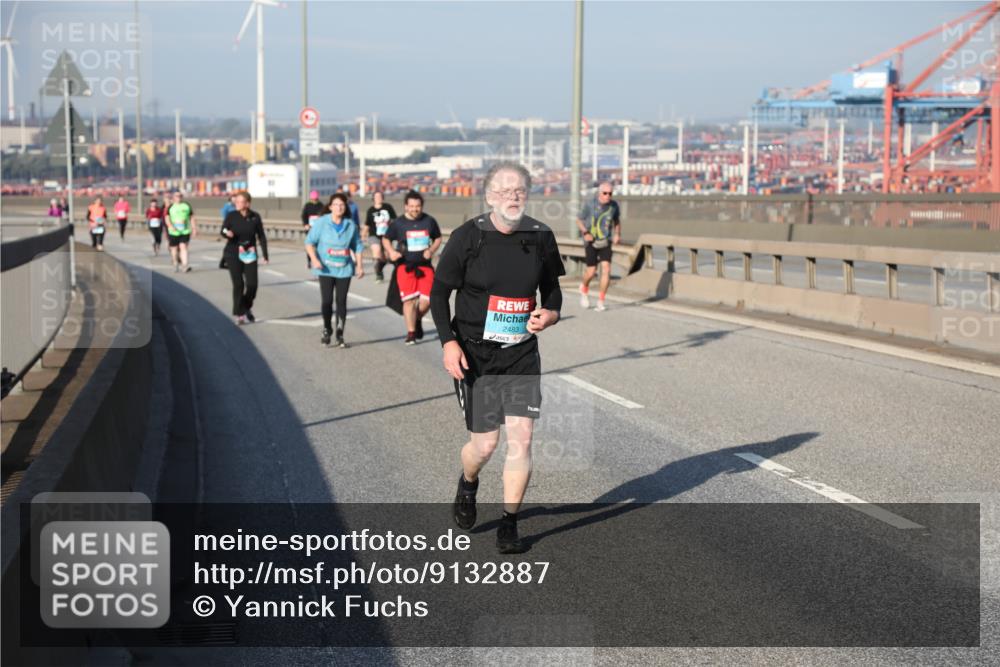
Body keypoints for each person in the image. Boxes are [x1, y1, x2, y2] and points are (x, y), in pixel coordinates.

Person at [430, 161, 564, 554]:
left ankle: (509, 523)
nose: (512, 197)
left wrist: (551, 313)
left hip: (520, 353)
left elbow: (552, 289)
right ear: (489, 197)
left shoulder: (540, 237)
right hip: (476, 355)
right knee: (485, 446)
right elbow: (439, 295)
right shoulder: (468, 238)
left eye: (519, 190)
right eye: (504, 191)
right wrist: (448, 343)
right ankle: (468, 483)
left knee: (521, 440)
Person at [305, 193, 364, 347]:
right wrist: (315, 259)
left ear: (346, 207)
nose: (339, 207)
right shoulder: (321, 223)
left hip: (344, 269)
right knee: (327, 301)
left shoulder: (350, 225)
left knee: (341, 301)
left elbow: (357, 246)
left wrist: (359, 266)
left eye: (342, 204)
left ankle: (340, 334)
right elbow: (309, 242)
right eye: (336, 204)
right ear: (330, 207)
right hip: (325, 268)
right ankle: (326, 328)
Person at [383, 191, 441, 345]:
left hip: (425, 267)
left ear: (421, 206)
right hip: (405, 266)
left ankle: (417, 319)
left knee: (428, 301)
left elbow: (438, 238)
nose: (415, 209)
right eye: (412, 206)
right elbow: (386, 239)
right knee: (409, 301)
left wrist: (431, 250)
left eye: (418, 206)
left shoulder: (429, 221)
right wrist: (391, 252)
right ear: (406, 206)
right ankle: (411, 333)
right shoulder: (398, 223)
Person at [221, 191, 268, 325]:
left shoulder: (255, 217)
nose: (237, 203)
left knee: (252, 285)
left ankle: (246, 307)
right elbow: (223, 230)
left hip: (250, 253)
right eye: (236, 201)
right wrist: (227, 233)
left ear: (247, 203)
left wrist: (265, 255)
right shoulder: (231, 216)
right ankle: (239, 313)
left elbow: (261, 236)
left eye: (240, 201)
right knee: (238, 284)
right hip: (233, 252)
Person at [576, 181, 622, 312]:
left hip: (605, 241)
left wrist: (617, 234)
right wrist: (585, 232)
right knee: (591, 271)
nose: (608, 196)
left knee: (606, 268)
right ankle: (584, 288)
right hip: (590, 240)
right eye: (605, 193)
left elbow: (617, 221)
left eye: (610, 193)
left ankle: (601, 301)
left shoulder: (614, 206)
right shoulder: (590, 204)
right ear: (599, 193)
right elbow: (579, 219)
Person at [363, 191, 396, 283]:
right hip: (374, 235)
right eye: (376, 196)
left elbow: (394, 220)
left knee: (386, 257)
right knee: (376, 252)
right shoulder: (370, 210)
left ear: (383, 198)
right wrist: (362, 236)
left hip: (387, 235)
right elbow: (367, 224)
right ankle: (378, 273)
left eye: (380, 196)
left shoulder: (388, 207)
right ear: (373, 198)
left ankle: (380, 269)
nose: (378, 198)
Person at [165, 191, 197, 272]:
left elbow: (191, 217)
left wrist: (194, 228)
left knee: (184, 247)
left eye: (180, 196)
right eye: (177, 196)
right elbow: (167, 218)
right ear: (173, 197)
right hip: (174, 232)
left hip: (185, 231)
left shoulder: (186, 206)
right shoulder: (170, 207)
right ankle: (175, 263)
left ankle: (185, 265)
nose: (178, 197)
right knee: (174, 249)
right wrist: (171, 226)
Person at [300, 190, 327, 268]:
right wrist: (306, 224)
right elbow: (303, 215)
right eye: (313, 199)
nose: (314, 200)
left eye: (315, 199)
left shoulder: (321, 205)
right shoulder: (307, 205)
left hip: (319, 228)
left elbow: (324, 215)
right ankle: (309, 261)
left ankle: (320, 259)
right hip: (310, 228)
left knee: (320, 245)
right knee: (310, 245)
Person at [219, 195, 236, 270]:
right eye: (233, 199)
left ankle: (223, 262)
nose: (235, 201)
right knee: (230, 245)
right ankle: (224, 262)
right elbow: (223, 215)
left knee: (230, 245)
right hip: (227, 227)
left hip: (234, 227)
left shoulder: (236, 206)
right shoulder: (227, 206)